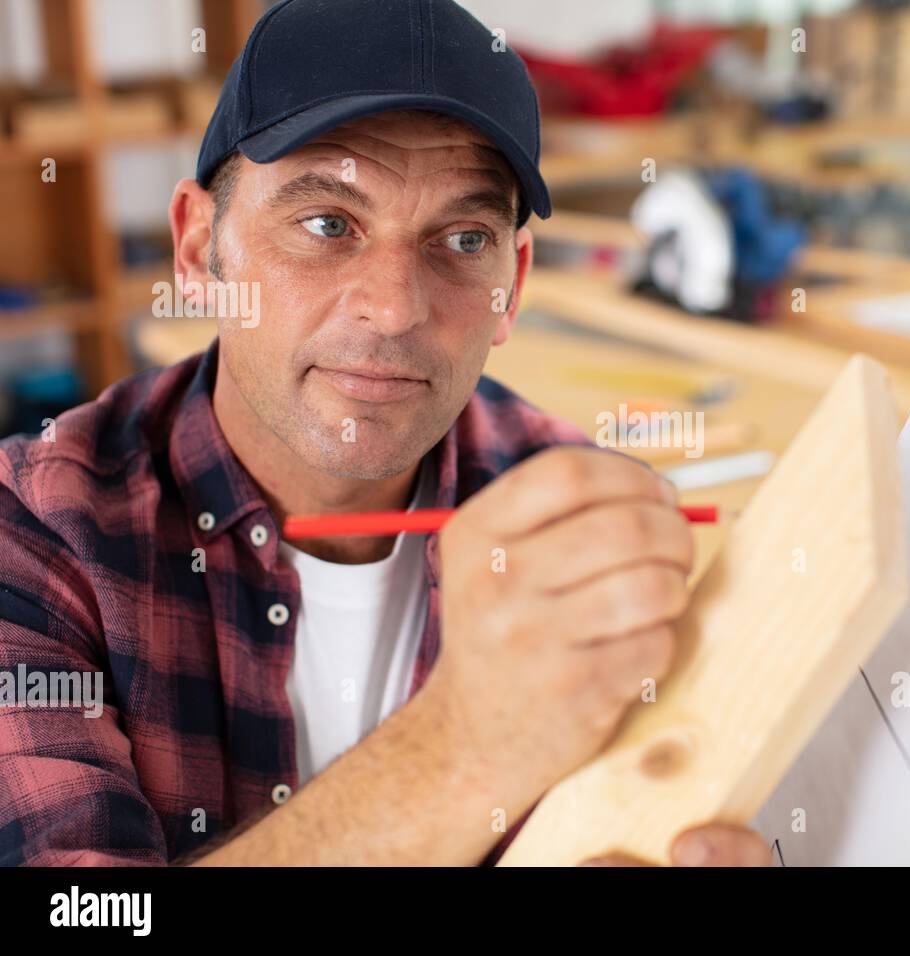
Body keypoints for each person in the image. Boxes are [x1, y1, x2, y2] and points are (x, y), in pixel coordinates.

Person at [0, 0, 769, 867]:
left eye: (463, 237)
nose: (395, 307)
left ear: (509, 287)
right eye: (327, 223)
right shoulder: (34, 530)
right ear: (197, 251)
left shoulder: (583, 537)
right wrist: (464, 747)